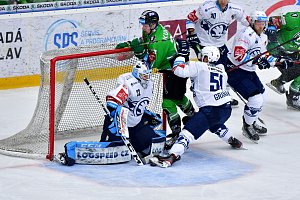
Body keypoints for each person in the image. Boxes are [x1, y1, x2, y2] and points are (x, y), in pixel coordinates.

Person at [149, 46, 244, 168]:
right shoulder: (222, 71)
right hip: (226, 109)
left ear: (206, 58)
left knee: (187, 134)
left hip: (210, 109)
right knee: (214, 123)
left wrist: (180, 56)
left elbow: (179, 71)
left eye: (203, 56)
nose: (200, 58)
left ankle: (172, 157)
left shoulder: (199, 66)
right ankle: (232, 140)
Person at [115, 10, 195, 149]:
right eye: (142, 24)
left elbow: (151, 66)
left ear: (153, 24)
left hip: (176, 69)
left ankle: (177, 134)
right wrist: (131, 44)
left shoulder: (159, 42)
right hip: (172, 66)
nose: (143, 27)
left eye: (145, 24)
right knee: (177, 97)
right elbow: (145, 43)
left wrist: (139, 53)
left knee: (168, 103)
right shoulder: (150, 31)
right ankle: (194, 116)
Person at [225, 11, 294, 142]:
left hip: (248, 70)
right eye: (258, 22)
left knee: (262, 97)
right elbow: (238, 56)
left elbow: (264, 55)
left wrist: (280, 61)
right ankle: (247, 126)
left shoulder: (263, 37)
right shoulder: (245, 35)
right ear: (252, 22)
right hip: (235, 70)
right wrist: (256, 61)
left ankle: (252, 119)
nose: (261, 26)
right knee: (255, 99)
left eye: (263, 23)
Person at [186, 0, 250, 107]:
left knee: (224, 70)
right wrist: (192, 34)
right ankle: (202, 93)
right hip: (204, 44)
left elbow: (248, 21)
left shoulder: (235, 9)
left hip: (220, 44)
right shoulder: (207, 8)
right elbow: (190, 19)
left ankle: (223, 95)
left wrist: (258, 26)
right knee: (205, 71)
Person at [103, 60, 165, 159]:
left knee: (150, 145)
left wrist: (145, 113)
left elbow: (138, 103)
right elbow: (111, 101)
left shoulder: (150, 84)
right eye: (144, 75)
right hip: (121, 125)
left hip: (137, 123)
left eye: (148, 74)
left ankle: (135, 141)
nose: (147, 78)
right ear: (137, 74)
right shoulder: (129, 84)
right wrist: (116, 112)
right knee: (117, 151)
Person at [265, 11, 300, 110]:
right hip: (276, 50)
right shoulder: (295, 19)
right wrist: (271, 30)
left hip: (292, 53)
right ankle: (292, 96)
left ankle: (280, 82)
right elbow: (273, 20)